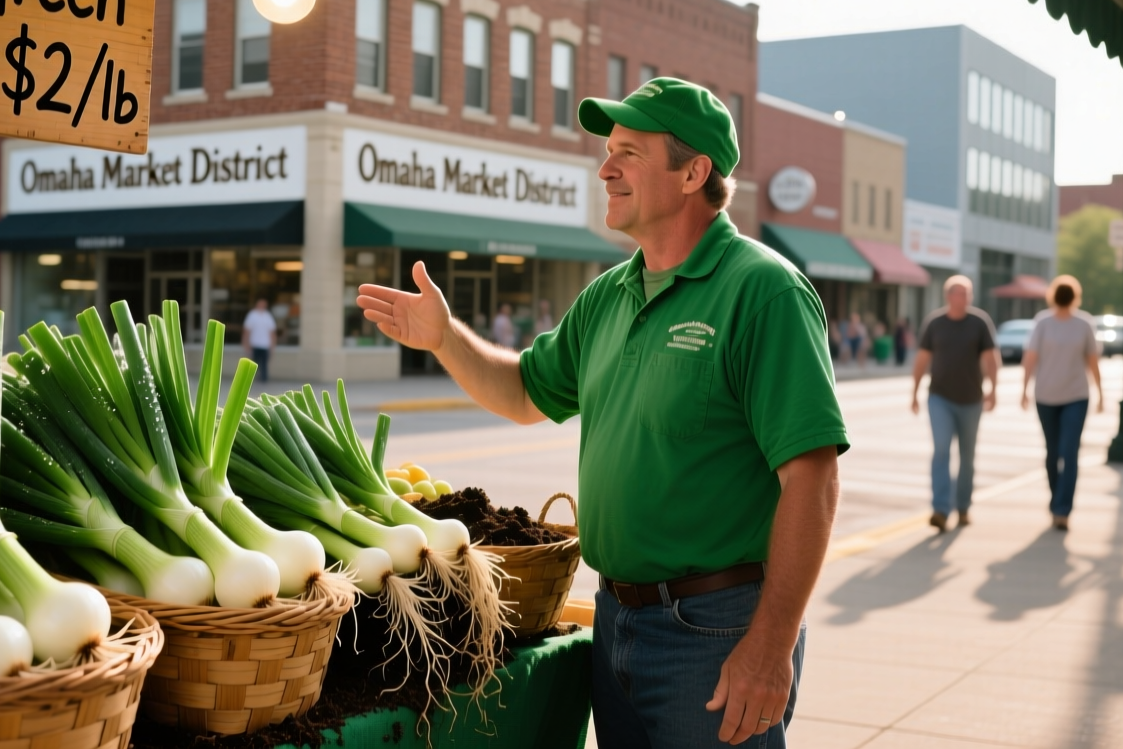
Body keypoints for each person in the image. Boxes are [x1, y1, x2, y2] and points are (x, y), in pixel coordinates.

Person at [358, 79, 845, 748]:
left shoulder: (763, 292)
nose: (605, 167)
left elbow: (812, 483)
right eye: (608, 150)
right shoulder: (608, 296)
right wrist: (445, 337)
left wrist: (770, 646)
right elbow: (525, 394)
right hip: (616, 619)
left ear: (693, 172)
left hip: (716, 631)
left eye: (630, 152)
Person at [910, 275, 998, 532]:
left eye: (968, 293)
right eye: (961, 293)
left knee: (967, 456)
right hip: (940, 397)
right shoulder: (935, 323)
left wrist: (994, 388)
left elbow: (991, 358)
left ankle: (963, 506)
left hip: (972, 399)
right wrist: (914, 392)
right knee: (941, 451)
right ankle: (940, 509)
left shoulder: (979, 322)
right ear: (949, 296)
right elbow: (922, 359)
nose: (965, 298)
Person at [1019, 276, 1104, 532]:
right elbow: (1031, 357)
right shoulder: (1043, 322)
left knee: (1070, 452)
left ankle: (1063, 509)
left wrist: (1100, 391)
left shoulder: (1084, 323)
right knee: (1052, 452)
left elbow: (1092, 360)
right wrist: (1023, 389)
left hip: (1076, 396)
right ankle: (1056, 498)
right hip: (1046, 396)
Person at [242, 299, 277, 383]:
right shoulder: (252, 315)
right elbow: (247, 331)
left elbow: (272, 332)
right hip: (255, 344)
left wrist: (272, 346)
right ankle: (251, 380)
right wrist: (246, 344)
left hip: (265, 345)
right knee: (254, 363)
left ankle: (264, 380)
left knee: (264, 364)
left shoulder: (268, 316)